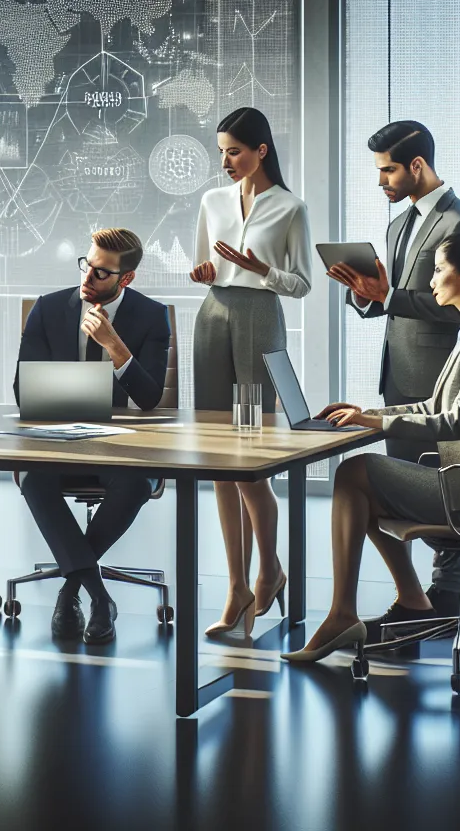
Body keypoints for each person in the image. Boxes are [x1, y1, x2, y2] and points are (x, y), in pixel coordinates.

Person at [282, 226, 460, 664]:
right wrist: (370, 412)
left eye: (437, 270)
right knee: (359, 486)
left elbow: (456, 422)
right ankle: (408, 603)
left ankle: (351, 612)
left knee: (355, 474)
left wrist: (377, 425)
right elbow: (432, 403)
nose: (429, 280)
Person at [326, 120, 460, 617]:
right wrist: (365, 296)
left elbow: (457, 305)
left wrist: (388, 295)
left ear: (417, 165)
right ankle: (413, 597)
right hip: (400, 378)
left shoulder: (459, 225)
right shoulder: (399, 224)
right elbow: (390, 302)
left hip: (442, 384)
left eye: (388, 170)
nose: (381, 182)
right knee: (401, 493)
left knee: (445, 490)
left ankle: (447, 597)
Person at [189, 106, 313, 639]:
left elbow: (303, 283)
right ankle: (236, 586)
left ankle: (269, 570)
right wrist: (203, 272)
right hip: (213, 317)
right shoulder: (212, 201)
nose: (225, 162)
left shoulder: (290, 207)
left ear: (261, 150)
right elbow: (206, 266)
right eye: (221, 152)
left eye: (234, 151)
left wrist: (263, 269)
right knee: (219, 455)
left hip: (260, 320)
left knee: (249, 455)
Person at [16, 228, 172, 645]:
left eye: (101, 273)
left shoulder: (151, 316)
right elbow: (21, 388)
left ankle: (71, 588)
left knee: (136, 483)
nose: (88, 278)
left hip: (120, 444)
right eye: (86, 265)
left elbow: (150, 397)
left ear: (126, 279)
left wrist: (116, 347)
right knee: (33, 478)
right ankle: (100, 597)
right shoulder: (48, 310)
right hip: (59, 441)